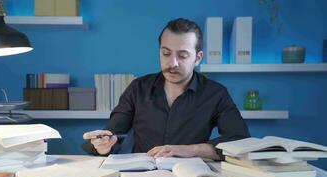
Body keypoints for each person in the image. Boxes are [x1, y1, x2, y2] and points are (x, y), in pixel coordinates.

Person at [82, 18, 250, 160]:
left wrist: (190, 150)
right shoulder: (137, 88)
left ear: (197, 58)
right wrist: (104, 146)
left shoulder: (216, 93)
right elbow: (112, 135)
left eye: (182, 55)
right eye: (166, 53)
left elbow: (240, 141)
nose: (172, 63)